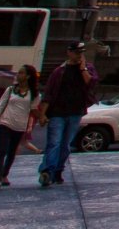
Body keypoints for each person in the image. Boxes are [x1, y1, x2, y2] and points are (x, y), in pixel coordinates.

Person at [36, 41, 98, 187]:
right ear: (69, 52)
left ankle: (58, 169)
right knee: (54, 143)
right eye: (76, 52)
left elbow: (91, 83)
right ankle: (47, 171)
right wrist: (42, 114)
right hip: (58, 112)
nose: (79, 55)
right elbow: (49, 94)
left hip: (75, 112)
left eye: (81, 52)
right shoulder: (59, 71)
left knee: (65, 145)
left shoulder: (88, 68)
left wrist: (83, 68)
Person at [0, 65, 39, 190]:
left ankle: (4, 174)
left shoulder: (34, 94)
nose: (18, 75)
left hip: (20, 126)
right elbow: (0, 106)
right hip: (5, 123)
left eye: (21, 73)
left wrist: (43, 117)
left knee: (11, 152)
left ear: (28, 76)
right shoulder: (10, 90)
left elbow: (34, 110)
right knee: (2, 151)